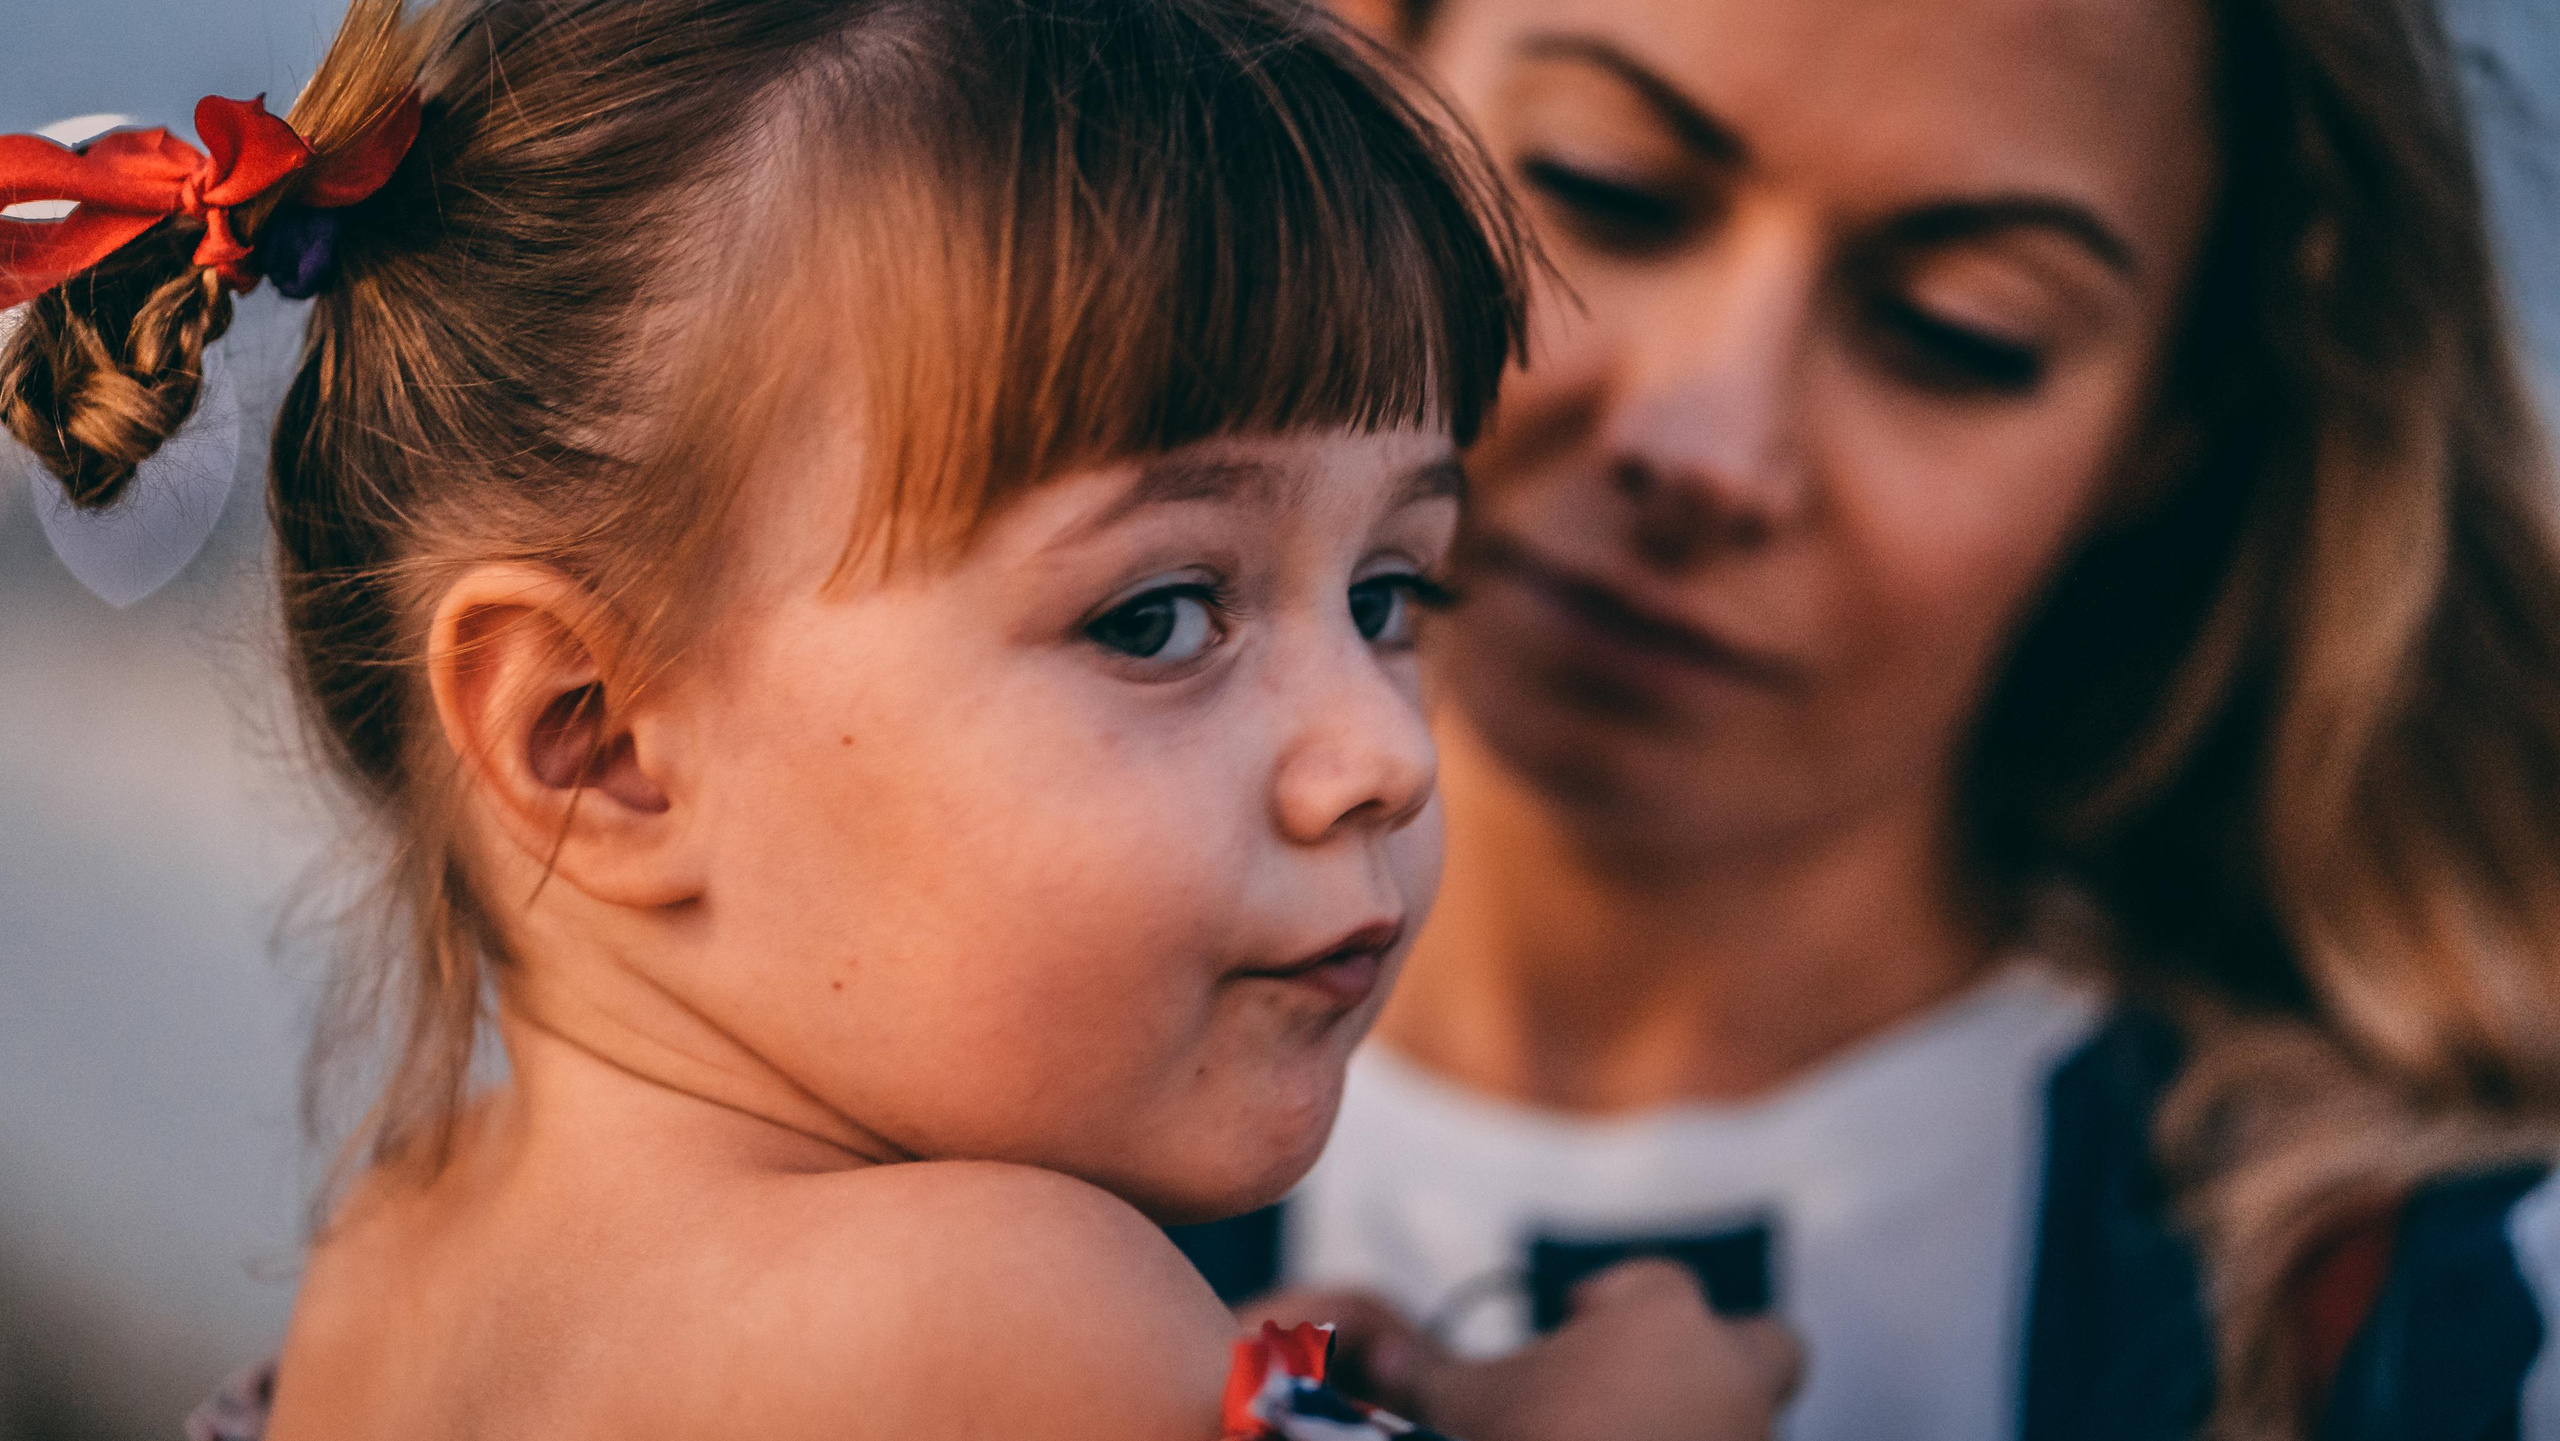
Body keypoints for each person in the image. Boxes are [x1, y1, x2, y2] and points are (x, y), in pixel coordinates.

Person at [0, 0, 1804, 1437]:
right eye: (1158, 615)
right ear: (594, 736)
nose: (1389, 754)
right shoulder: (1011, 1311)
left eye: (1391, 596)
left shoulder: (402, 1243)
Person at [1170, 0, 2560, 1436]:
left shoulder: (2438, 1316)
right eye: (1607, 188)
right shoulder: (953, 1133)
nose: (1706, 445)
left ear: (2174, 419)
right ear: (1363, 71)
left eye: (1958, 331)